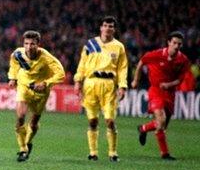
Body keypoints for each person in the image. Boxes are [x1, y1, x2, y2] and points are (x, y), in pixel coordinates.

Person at [74, 16, 128, 162]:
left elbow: (123, 68)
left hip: (109, 85)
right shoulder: (90, 44)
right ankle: (93, 153)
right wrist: (78, 81)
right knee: (92, 121)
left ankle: (113, 152)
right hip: (91, 84)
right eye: (105, 25)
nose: (108, 28)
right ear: (101, 27)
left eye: (111, 26)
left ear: (114, 29)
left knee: (110, 120)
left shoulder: (119, 47)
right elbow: (82, 64)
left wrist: (122, 86)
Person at [131, 31, 191, 160]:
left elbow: (180, 80)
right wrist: (136, 80)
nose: (176, 46)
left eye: (179, 44)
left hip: (170, 93)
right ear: (169, 42)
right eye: (174, 43)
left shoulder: (183, 60)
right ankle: (165, 154)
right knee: (161, 120)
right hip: (155, 91)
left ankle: (143, 128)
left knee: (162, 126)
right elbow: (141, 62)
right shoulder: (156, 55)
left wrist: (169, 85)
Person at [8, 31, 65, 162]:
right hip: (24, 87)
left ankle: (28, 143)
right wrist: (12, 77)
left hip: (41, 92)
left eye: (32, 44)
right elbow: (14, 63)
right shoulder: (18, 53)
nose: (29, 47)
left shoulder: (46, 57)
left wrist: (46, 83)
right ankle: (22, 149)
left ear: (38, 45)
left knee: (33, 124)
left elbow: (61, 73)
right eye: (26, 43)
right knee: (20, 117)